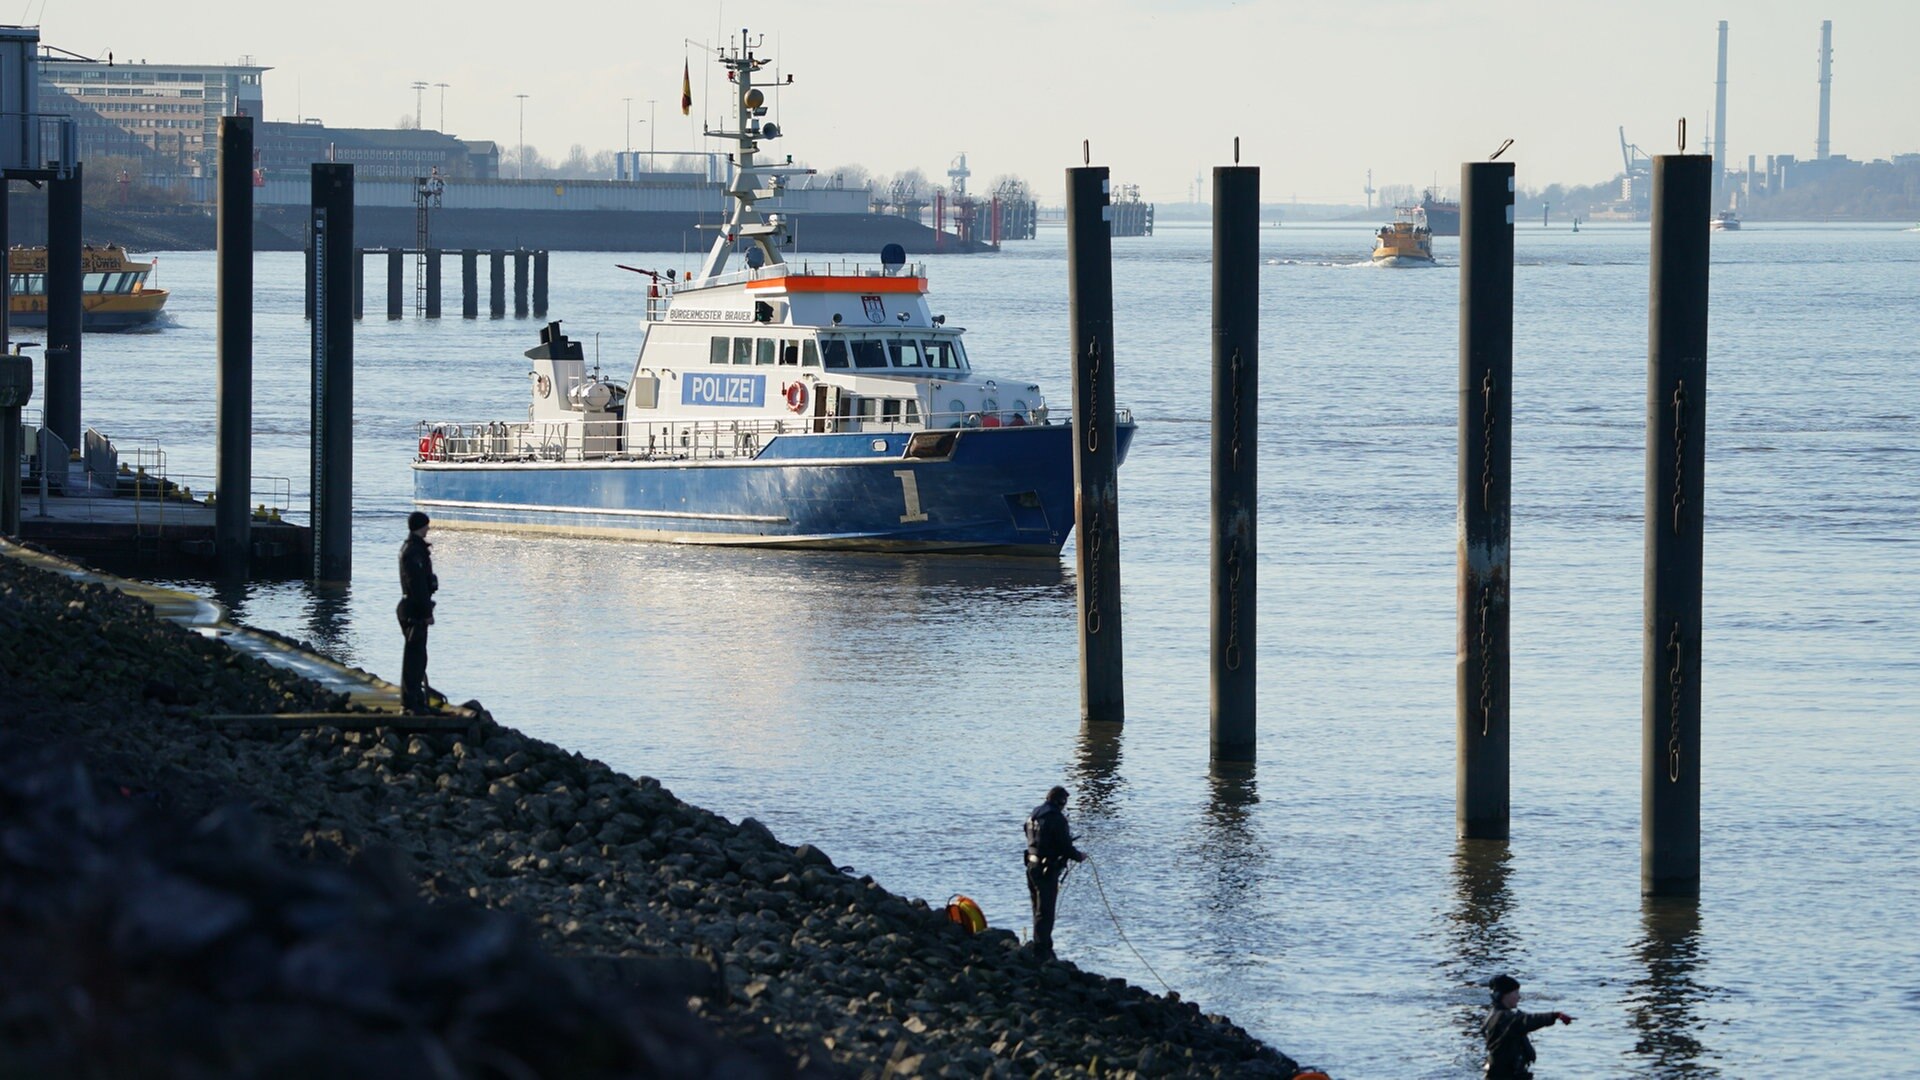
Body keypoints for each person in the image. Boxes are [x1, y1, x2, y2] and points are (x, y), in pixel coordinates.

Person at [1023, 785, 1086, 961]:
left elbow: (1032, 837)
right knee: (1046, 910)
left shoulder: (1034, 814)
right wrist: (1078, 856)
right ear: (1061, 801)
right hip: (1046, 870)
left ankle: (1038, 945)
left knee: (1036, 907)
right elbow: (1065, 847)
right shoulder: (1056, 818)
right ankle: (1043, 950)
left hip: (1031, 866)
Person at [1482, 974, 1573, 1079]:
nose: (1519, 997)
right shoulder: (1503, 1018)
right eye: (1515, 993)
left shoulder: (1495, 1015)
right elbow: (1527, 1021)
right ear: (1504, 995)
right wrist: (1554, 1016)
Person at [397, 511, 439, 714]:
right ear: (419, 526)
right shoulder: (414, 552)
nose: (428, 528)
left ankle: (415, 697)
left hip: (413, 608)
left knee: (418, 656)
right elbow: (417, 586)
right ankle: (410, 700)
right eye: (426, 525)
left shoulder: (414, 549)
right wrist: (426, 612)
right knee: (415, 657)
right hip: (414, 610)